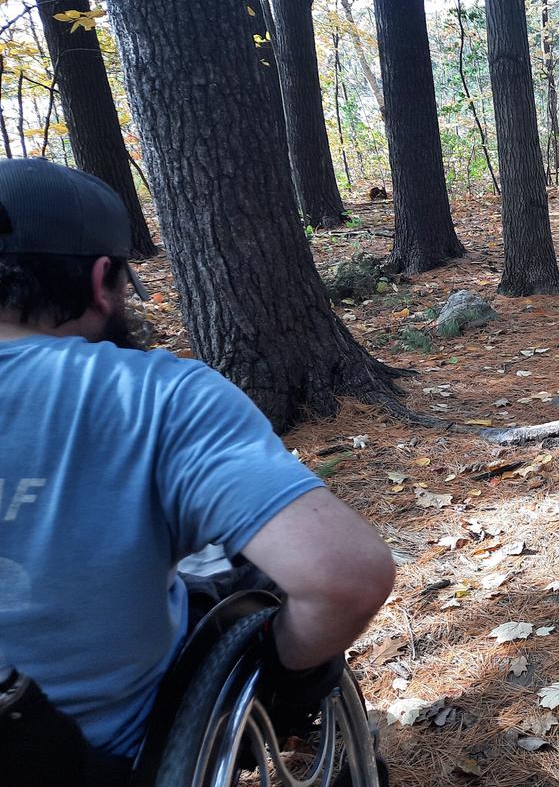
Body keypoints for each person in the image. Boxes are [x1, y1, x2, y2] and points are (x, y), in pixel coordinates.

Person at [0, 158, 396, 783]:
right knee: (241, 575)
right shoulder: (156, 395)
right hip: (96, 760)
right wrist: (289, 688)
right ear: (103, 280)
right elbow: (345, 576)